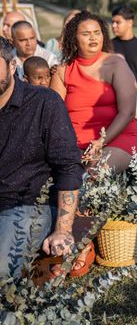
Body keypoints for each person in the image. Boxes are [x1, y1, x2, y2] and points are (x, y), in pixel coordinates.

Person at [0, 37, 84, 279]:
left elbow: (68, 167)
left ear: (12, 64)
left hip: (27, 204)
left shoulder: (44, 103)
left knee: (2, 270)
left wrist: (62, 230)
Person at [50, 10, 137, 173]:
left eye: (97, 33)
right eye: (86, 34)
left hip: (117, 138)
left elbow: (127, 112)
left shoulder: (116, 64)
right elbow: (54, 116)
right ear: (74, 39)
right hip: (74, 143)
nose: (93, 38)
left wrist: (101, 141)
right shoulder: (62, 71)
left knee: (93, 173)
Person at [111, 5, 137, 119]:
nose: (113, 26)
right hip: (112, 93)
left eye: (118, 22)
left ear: (130, 23)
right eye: (112, 22)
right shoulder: (108, 46)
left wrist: (130, 93)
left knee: (129, 116)